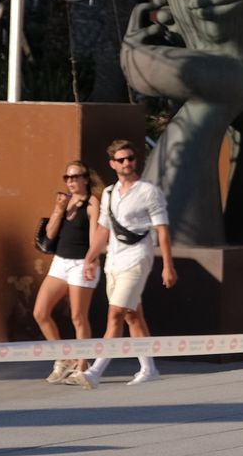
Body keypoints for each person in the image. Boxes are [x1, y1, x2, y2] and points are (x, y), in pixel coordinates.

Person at [82, 138, 175, 386]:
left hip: (138, 258)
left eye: (131, 159)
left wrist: (168, 265)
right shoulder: (110, 193)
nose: (127, 163)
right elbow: (103, 229)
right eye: (121, 160)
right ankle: (149, 368)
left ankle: (95, 371)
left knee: (115, 314)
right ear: (112, 164)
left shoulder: (149, 192)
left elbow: (162, 231)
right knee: (132, 316)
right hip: (114, 260)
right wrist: (90, 258)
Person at [32, 160, 107, 387]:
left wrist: (92, 260)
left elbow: (96, 237)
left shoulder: (92, 203)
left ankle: (82, 366)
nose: (71, 181)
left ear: (85, 179)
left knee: (78, 316)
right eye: (67, 177)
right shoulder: (65, 201)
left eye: (75, 177)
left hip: (81, 263)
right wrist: (58, 209)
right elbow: (50, 234)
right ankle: (64, 358)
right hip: (60, 263)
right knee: (40, 312)